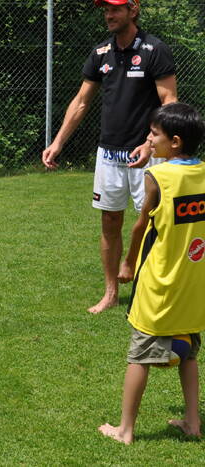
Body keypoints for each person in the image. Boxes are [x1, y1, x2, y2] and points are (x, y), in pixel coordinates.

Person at [41, 0, 177, 314]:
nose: (108, 14)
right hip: (109, 154)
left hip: (147, 154)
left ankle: (150, 286)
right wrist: (58, 143)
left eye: (115, 8)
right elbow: (81, 102)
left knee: (154, 223)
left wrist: (149, 143)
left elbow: (169, 102)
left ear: (133, 10)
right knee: (109, 223)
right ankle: (111, 292)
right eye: (106, 8)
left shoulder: (154, 50)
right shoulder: (101, 53)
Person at [98, 102, 205, 444]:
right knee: (187, 350)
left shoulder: (158, 176)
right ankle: (193, 422)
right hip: (193, 281)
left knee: (138, 355)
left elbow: (141, 226)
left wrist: (127, 263)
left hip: (160, 282)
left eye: (154, 134)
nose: (149, 138)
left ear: (174, 141)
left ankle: (125, 430)